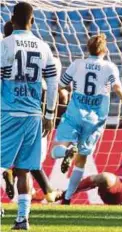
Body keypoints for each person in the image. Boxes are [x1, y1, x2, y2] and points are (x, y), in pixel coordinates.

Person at [50, 33, 122, 204]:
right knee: (82, 160)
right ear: (105, 50)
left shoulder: (77, 64)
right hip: (95, 120)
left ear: (88, 48)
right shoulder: (109, 67)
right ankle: (68, 197)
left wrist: (59, 95)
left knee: (55, 151)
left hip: (74, 114)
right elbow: (118, 89)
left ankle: (67, 152)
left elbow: (61, 85)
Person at [1, 2, 59, 229]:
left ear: (12, 19)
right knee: (24, 168)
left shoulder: (4, 45)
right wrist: (50, 113)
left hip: (8, 112)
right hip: (34, 114)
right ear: (32, 21)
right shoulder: (43, 47)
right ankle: (22, 219)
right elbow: (53, 83)